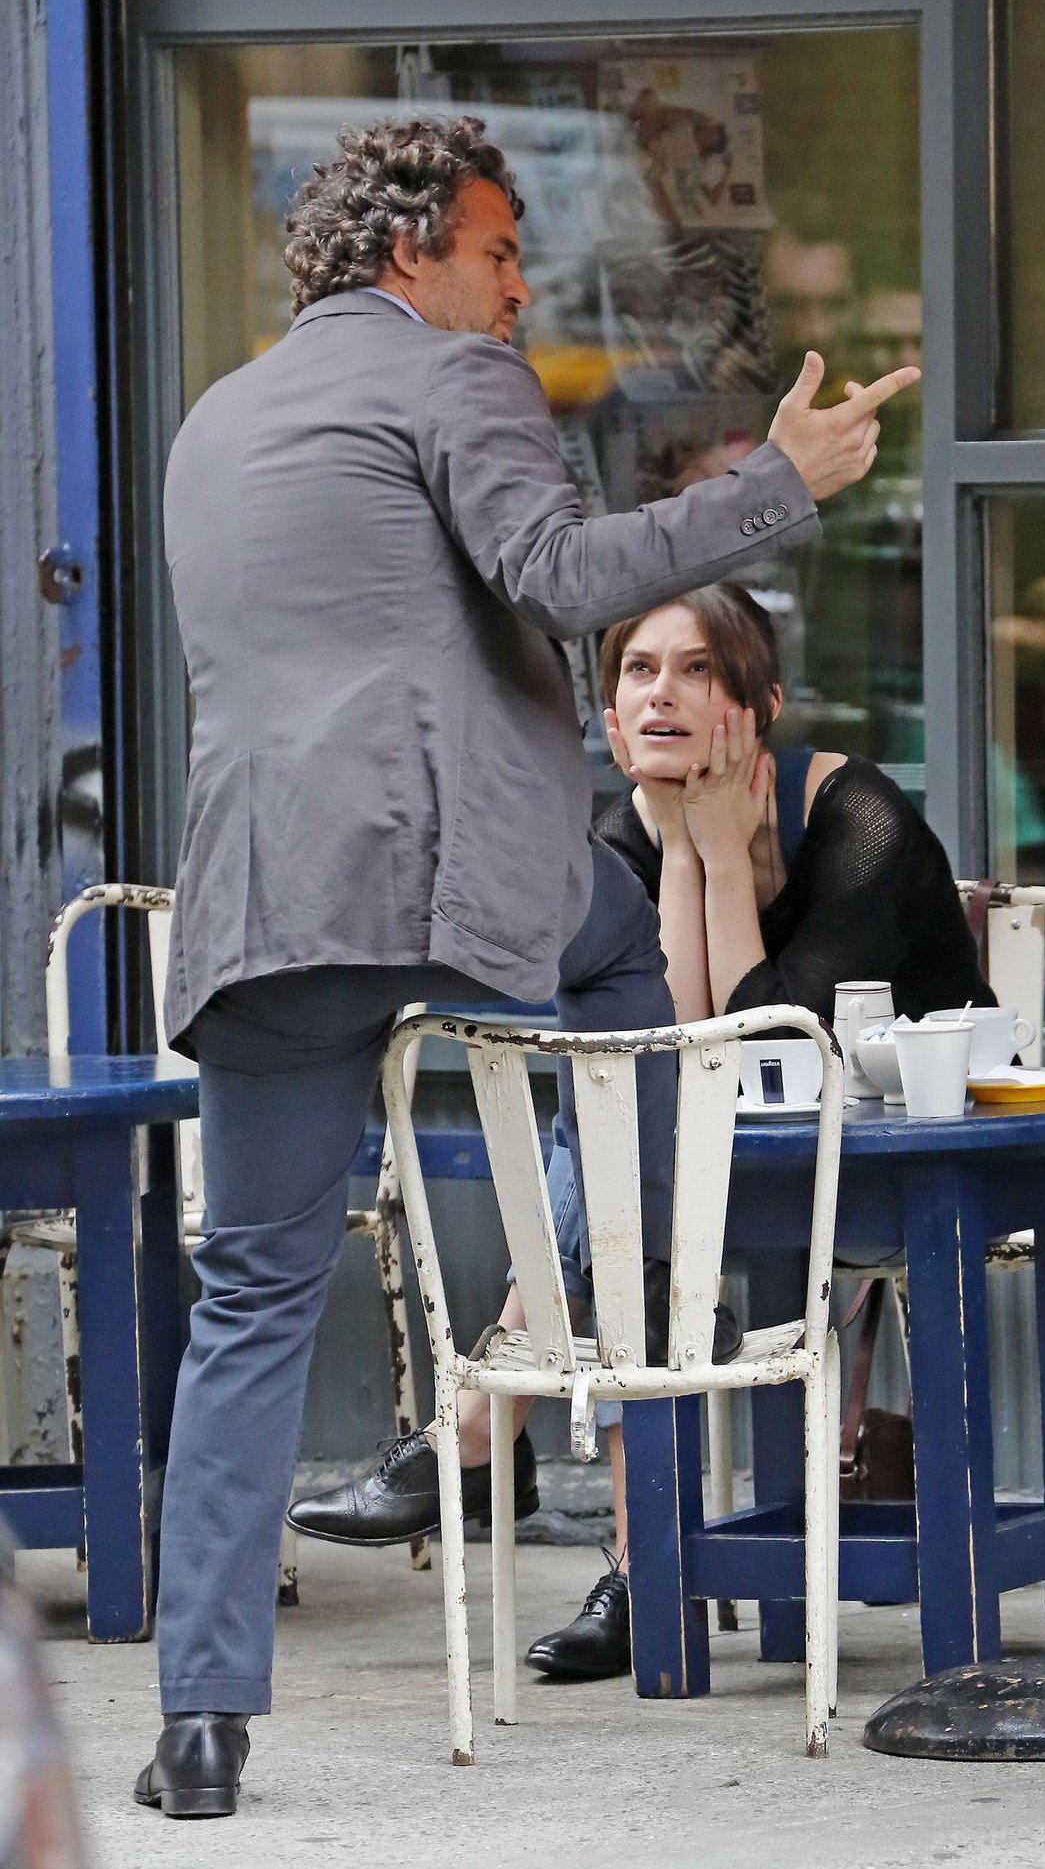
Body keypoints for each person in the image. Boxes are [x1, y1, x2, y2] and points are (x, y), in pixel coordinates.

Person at [136, 111, 919, 1818]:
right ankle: (624, 1293)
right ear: (408, 249)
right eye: (499, 252)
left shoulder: (215, 419)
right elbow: (560, 575)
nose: (516, 291)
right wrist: (778, 485)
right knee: (622, 947)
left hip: (265, 902)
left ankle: (200, 1725)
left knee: (250, 1302)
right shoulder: (455, 375)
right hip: (455, 882)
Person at [298, 580, 992, 1683]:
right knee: (612, 1134)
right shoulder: (624, 837)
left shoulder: (858, 819)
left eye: (697, 669)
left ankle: (488, 1438)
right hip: (725, 1195)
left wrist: (719, 854)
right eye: (637, 670)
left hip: (896, 1186)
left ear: (761, 704)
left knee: (608, 1153)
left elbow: (766, 1043)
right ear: (612, 715)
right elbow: (662, 1051)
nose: (661, 693)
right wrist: (678, 851)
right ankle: (630, 1557)